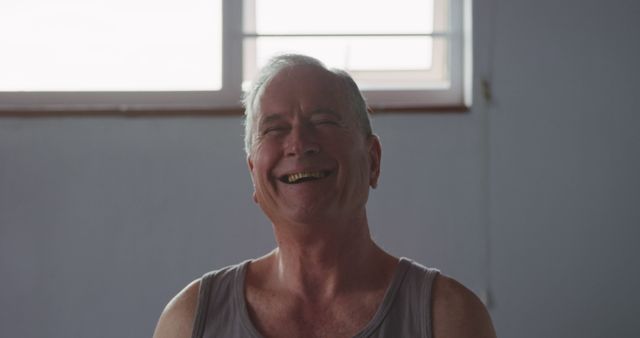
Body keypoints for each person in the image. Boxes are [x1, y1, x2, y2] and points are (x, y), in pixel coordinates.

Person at [153, 54, 496, 338]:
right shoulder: (191, 320)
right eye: (275, 129)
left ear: (373, 161)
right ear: (253, 175)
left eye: (324, 121)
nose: (299, 142)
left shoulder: (448, 318)